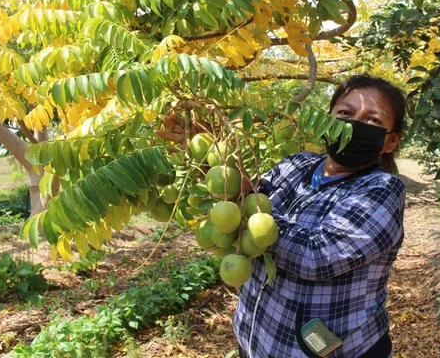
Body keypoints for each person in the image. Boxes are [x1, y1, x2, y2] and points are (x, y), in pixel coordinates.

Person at [159, 74, 406, 357]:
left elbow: (317, 256)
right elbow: (244, 197)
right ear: (327, 121)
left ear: (391, 141)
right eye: (345, 114)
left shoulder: (383, 189)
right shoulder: (296, 164)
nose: (353, 125)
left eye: (373, 120)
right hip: (256, 340)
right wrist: (212, 157)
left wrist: (252, 210)